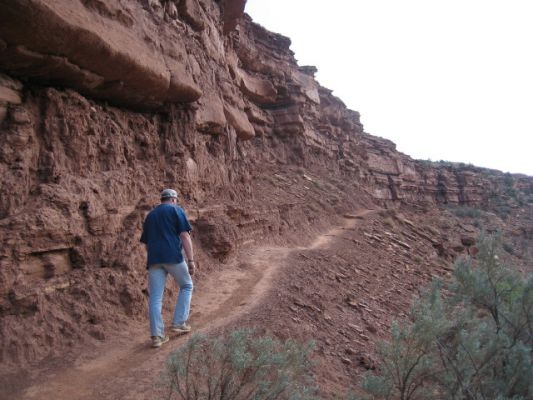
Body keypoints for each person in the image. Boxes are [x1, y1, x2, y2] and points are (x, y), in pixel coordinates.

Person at [140, 188, 196, 348]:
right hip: (173, 256)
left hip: (154, 259)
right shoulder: (176, 210)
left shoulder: (150, 216)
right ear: (173, 199)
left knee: (155, 298)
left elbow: (147, 243)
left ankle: (157, 337)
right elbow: (185, 236)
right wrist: (191, 260)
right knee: (186, 285)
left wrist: (153, 257)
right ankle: (179, 322)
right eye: (176, 200)